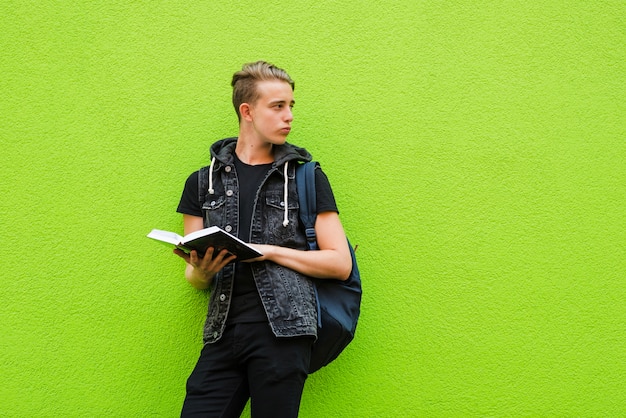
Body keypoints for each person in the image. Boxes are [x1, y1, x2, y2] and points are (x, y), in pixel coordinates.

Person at [174, 61, 352, 417]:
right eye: (277, 106)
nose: (289, 116)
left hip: (284, 334)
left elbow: (340, 263)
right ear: (247, 111)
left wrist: (268, 251)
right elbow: (194, 279)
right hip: (222, 331)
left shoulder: (306, 177)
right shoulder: (201, 182)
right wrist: (203, 271)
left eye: (291, 106)